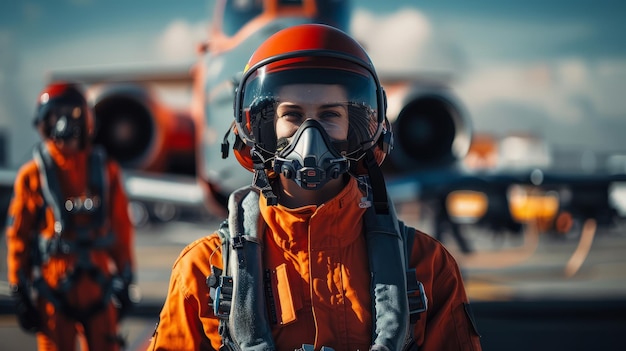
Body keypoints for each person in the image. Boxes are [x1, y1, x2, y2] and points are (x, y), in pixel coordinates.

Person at [148, 24, 482, 351]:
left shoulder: (428, 267)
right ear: (261, 128)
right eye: (292, 115)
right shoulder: (204, 270)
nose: (310, 135)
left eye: (330, 114)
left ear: (357, 128)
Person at [5, 81, 136, 351]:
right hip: (54, 291)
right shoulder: (32, 177)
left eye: (71, 114)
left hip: (99, 290)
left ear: (86, 118)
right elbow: (18, 237)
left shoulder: (105, 172)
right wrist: (19, 289)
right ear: (43, 122)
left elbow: (121, 230)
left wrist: (126, 276)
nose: (64, 123)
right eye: (55, 115)